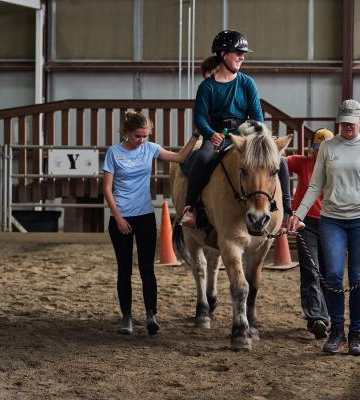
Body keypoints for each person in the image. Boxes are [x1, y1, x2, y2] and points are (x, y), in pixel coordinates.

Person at [288, 99, 360, 356]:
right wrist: (298, 214)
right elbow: (315, 186)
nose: (347, 126)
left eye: (352, 121)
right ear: (338, 122)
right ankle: (337, 332)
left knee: (357, 277)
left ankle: (355, 333)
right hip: (332, 219)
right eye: (343, 122)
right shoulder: (327, 147)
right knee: (334, 275)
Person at [182, 30, 292, 226]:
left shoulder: (247, 83)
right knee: (202, 158)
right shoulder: (207, 87)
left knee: (281, 162)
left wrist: (255, 136)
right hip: (217, 135)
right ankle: (191, 208)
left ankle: (287, 211)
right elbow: (199, 116)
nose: (242, 56)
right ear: (223, 54)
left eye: (243, 53)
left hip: (245, 136)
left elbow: (257, 116)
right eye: (237, 52)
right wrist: (209, 134)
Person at [103, 111, 199, 335]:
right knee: (124, 269)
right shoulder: (114, 153)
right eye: (138, 136)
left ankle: (150, 315)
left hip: (145, 216)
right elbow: (107, 189)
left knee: (148, 269)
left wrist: (195, 136)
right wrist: (118, 217)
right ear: (127, 133)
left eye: (145, 136)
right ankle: (126, 317)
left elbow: (180, 158)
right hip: (120, 218)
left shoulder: (151, 148)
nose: (142, 140)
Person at [286, 128, 334, 339]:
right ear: (311, 148)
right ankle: (317, 318)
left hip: (333, 224)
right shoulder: (303, 163)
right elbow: (278, 161)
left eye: (324, 149)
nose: (319, 152)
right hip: (306, 224)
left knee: (329, 271)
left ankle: (326, 316)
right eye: (316, 148)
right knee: (310, 269)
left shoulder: (339, 168)